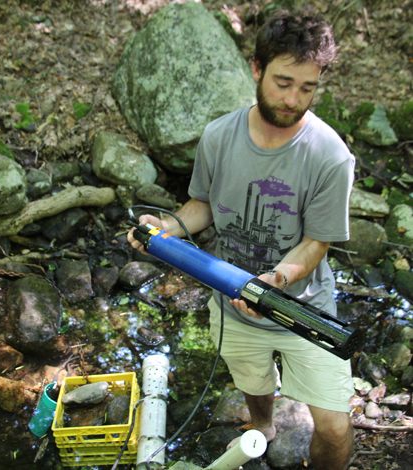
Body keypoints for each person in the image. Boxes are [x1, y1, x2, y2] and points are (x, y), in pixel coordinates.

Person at [128, 8, 355, 470]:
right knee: (253, 381)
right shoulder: (217, 136)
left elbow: (317, 242)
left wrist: (277, 278)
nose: (294, 99)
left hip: (302, 307)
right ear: (256, 69)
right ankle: (264, 425)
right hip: (229, 297)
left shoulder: (330, 155)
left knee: (333, 430)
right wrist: (166, 229)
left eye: (308, 87)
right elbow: (204, 205)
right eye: (283, 82)